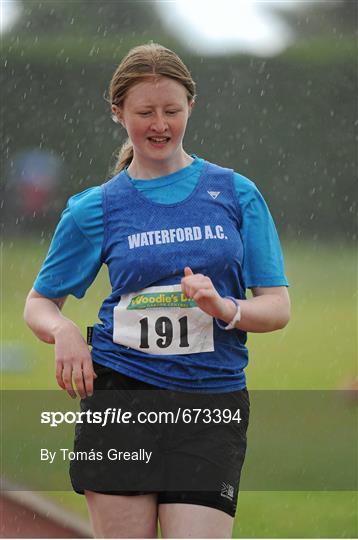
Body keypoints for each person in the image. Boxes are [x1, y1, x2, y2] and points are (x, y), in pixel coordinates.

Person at [24, 43, 290, 539]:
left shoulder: (235, 194)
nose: (160, 124)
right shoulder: (95, 209)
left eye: (171, 110)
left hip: (212, 402)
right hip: (121, 396)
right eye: (145, 112)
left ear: (192, 105)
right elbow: (39, 302)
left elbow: (276, 307)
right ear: (118, 113)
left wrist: (223, 307)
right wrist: (62, 331)